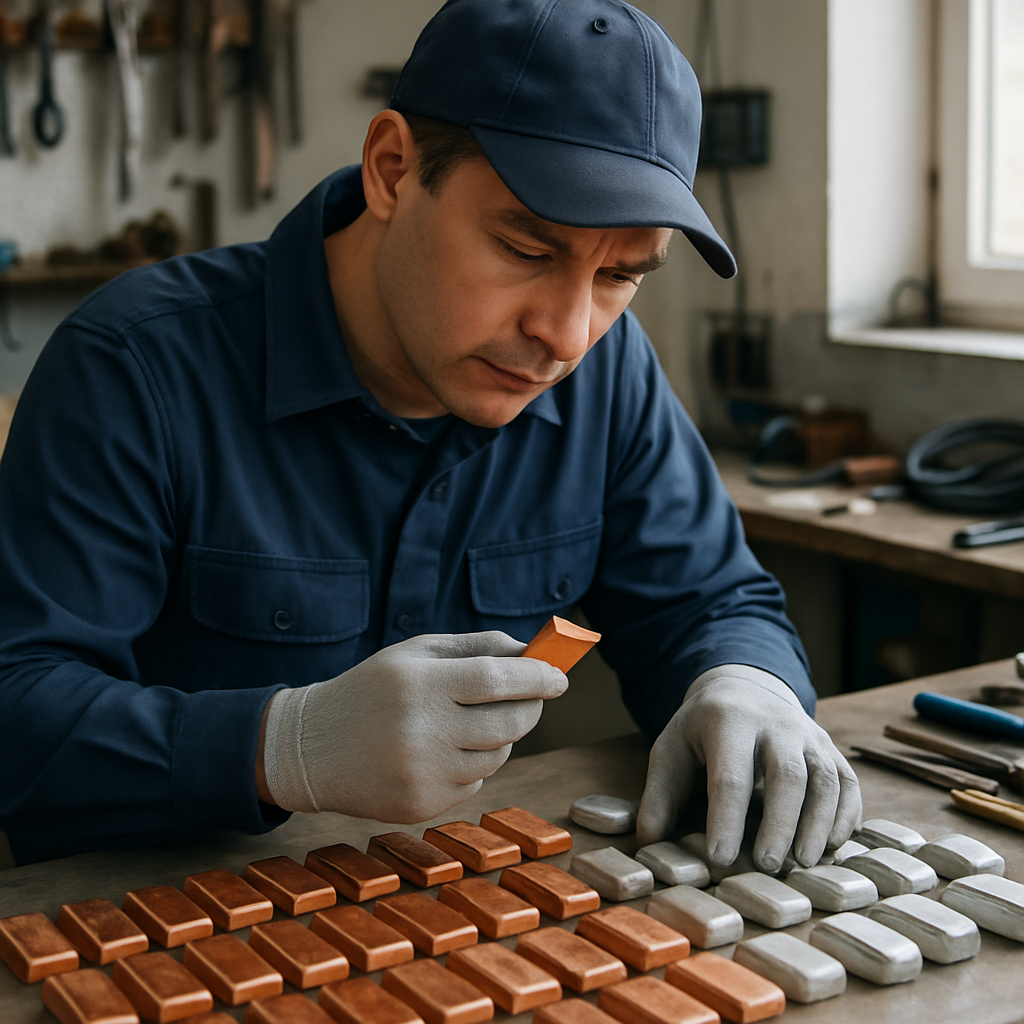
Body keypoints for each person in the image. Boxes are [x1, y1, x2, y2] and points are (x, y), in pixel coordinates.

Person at [0, 0, 860, 868]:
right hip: (149, 929)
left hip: (449, 908)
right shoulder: (135, 365)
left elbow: (711, 601)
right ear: (391, 169)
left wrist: (743, 682)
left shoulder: (607, 367)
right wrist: (276, 746)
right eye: (527, 250)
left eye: (620, 275)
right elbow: (15, 709)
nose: (565, 336)